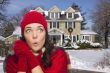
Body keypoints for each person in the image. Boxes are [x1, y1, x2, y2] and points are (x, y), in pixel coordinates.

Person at [5, 10, 70, 73]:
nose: (35, 35)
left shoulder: (58, 55)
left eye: (40, 30)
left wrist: (28, 56)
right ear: (23, 35)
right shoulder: (12, 60)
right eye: (28, 30)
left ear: (45, 33)